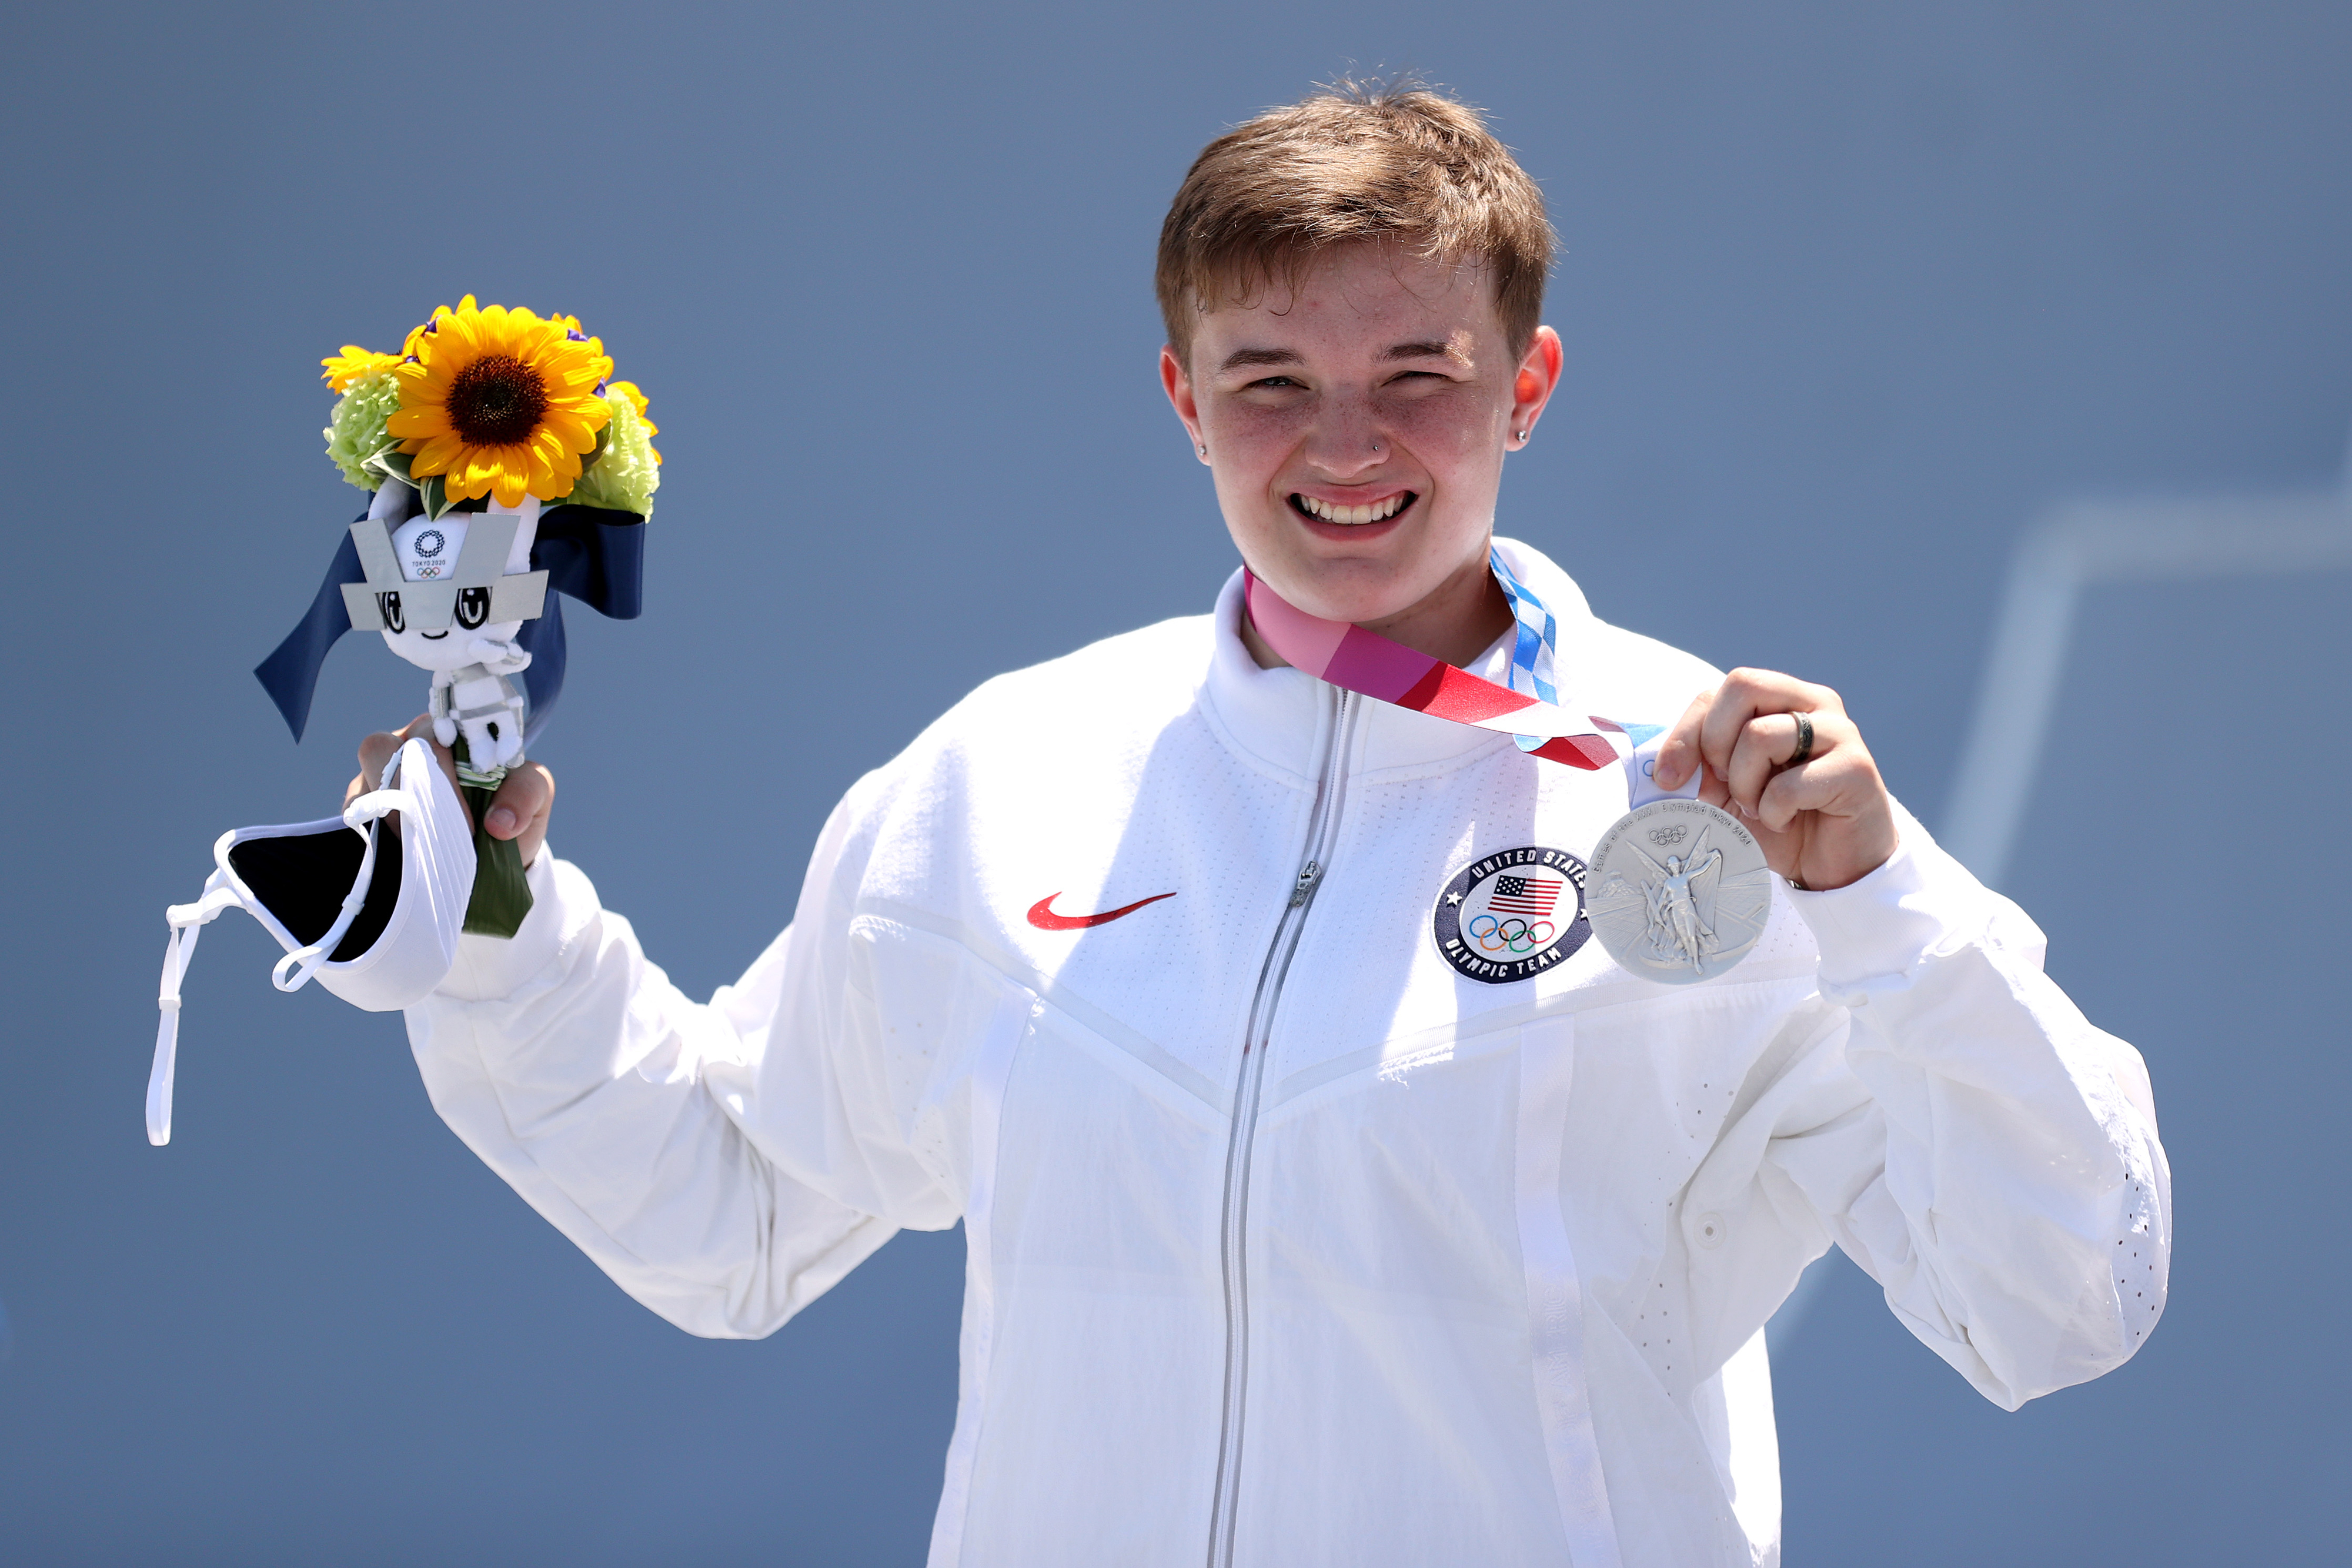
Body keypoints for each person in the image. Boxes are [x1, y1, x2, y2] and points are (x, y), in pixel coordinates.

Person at [353, 81, 2169, 1568]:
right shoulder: (1004, 777)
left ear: (1528, 388)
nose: (1346, 443)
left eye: (1418, 374)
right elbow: (735, 1202)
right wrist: (492, 925)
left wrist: (1893, 916)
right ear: (1184, 399)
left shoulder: (1709, 799)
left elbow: (2063, 1295)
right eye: (1272, 381)